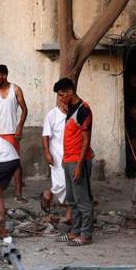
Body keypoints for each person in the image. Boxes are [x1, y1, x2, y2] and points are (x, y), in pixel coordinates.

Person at [54, 78, 95, 246]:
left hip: (79, 161)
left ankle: (86, 235)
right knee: (73, 200)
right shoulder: (71, 108)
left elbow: (86, 140)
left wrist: (78, 165)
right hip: (68, 160)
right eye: (59, 96)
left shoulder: (84, 110)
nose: (61, 99)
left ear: (71, 91)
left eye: (63, 95)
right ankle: (75, 232)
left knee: (83, 200)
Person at [0, 64, 28, 203]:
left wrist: (19, 127)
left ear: (4, 76)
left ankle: (18, 193)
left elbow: (25, 110)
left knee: (15, 164)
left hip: (10, 132)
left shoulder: (16, 90)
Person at [41, 99, 72, 223]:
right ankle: (48, 192)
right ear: (60, 100)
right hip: (57, 153)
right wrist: (47, 152)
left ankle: (69, 214)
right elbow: (45, 136)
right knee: (62, 184)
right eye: (64, 102)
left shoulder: (73, 113)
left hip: (71, 153)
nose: (66, 105)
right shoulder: (52, 114)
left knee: (72, 183)